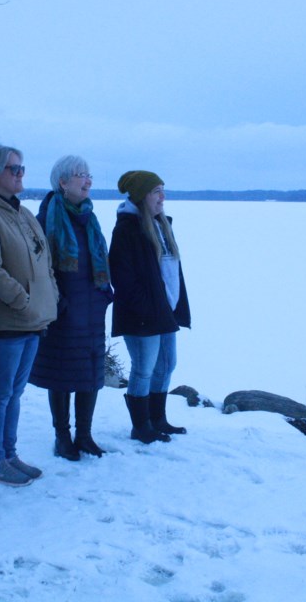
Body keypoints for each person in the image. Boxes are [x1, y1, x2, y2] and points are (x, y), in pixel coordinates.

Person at [0, 145, 58, 486]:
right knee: (0, 393)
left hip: (33, 319)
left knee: (14, 395)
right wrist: (23, 301)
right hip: (5, 321)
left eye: (21, 168)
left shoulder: (24, 213)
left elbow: (44, 261)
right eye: (13, 169)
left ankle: (10, 454)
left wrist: (50, 297)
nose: (20, 174)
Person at [29, 156, 113, 461]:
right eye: (80, 175)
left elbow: (99, 259)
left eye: (89, 175)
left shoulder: (90, 218)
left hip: (92, 309)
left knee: (90, 373)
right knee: (62, 374)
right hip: (63, 312)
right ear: (62, 182)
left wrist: (105, 293)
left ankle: (85, 435)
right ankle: (62, 437)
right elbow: (40, 269)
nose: (87, 181)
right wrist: (59, 303)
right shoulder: (45, 220)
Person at [109, 170, 191, 444]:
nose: (162, 197)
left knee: (167, 364)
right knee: (144, 368)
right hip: (143, 314)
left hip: (165, 311)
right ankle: (141, 426)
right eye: (157, 191)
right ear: (142, 195)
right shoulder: (127, 228)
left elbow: (171, 272)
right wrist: (145, 308)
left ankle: (158, 419)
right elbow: (123, 277)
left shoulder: (162, 225)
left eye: (162, 190)